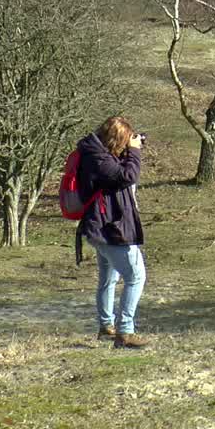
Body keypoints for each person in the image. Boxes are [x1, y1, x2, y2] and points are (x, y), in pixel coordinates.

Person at [76, 116, 147, 349]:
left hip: (102, 226)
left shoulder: (94, 153)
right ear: (116, 139)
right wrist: (134, 152)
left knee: (109, 277)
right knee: (136, 277)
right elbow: (127, 176)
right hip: (110, 227)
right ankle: (125, 331)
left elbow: (117, 173)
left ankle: (106, 326)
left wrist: (128, 151)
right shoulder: (97, 159)